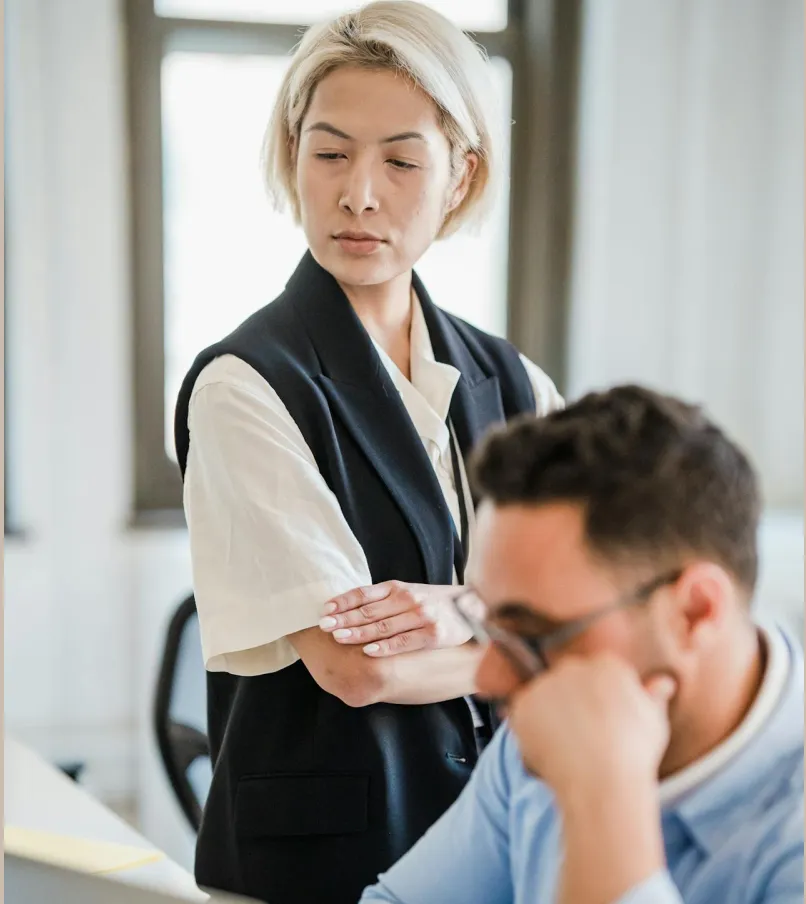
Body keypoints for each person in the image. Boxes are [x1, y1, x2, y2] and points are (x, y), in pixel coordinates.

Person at [173, 3, 562, 903]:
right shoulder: (246, 385)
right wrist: (516, 635)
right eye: (330, 151)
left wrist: (461, 609)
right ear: (292, 153)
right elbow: (357, 667)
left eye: (400, 160)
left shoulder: (515, 381)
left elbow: (599, 603)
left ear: (459, 176)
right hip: (323, 869)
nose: (358, 193)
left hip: (495, 844)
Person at [361, 385, 804, 904]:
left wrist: (601, 801)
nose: (486, 678)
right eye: (487, 624)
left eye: (533, 632)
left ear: (695, 612)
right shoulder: (539, 725)